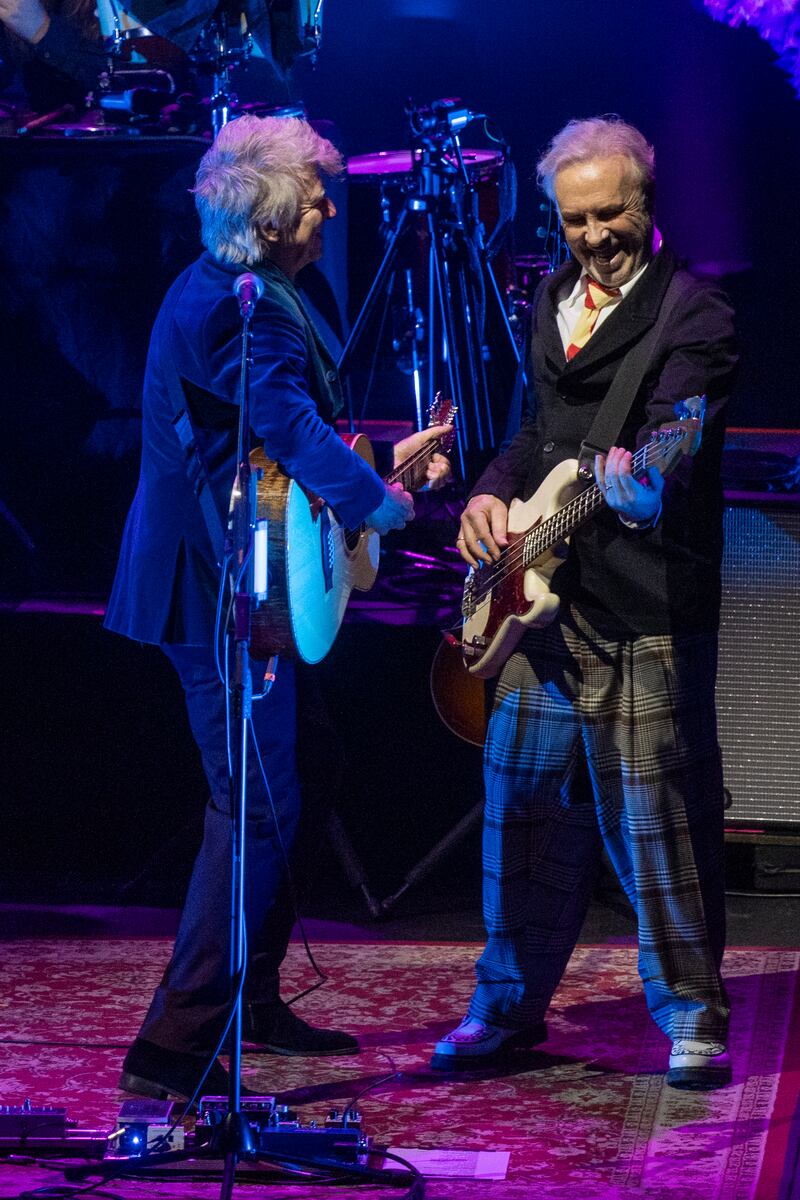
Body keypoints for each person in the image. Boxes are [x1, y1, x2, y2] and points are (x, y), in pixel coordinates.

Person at [105, 113, 450, 1101]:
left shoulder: (238, 289)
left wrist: (382, 461)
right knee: (253, 803)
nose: (332, 212)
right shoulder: (240, 309)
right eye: (315, 201)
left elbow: (262, 442)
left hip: (239, 568)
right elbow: (289, 427)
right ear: (264, 223)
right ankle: (175, 1043)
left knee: (305, 770)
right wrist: (378, 498)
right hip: (208, 589)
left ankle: (246, 998)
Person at [431, 116, 737, 1091]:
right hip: (538, 606)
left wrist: (648, 482)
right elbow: (535, 433)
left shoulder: (694, 313)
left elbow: (671, 437)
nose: (593, 235)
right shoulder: (550, 297)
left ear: (646, 202)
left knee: (656, 821)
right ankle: (505, 1005)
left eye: (609, 213)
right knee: (516, 810)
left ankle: (691, 1013)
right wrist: (487, 491)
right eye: (574, 220)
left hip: (643, 601)